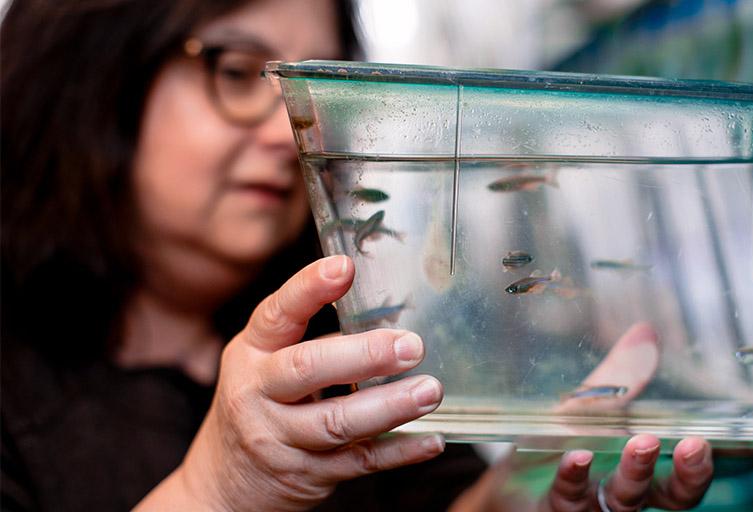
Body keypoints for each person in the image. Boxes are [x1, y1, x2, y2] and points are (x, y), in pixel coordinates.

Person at [0, 0, 714, 510]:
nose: (290, 132)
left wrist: (531, 490)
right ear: (91, 77)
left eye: (311, 93)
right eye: (239, 69)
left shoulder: (354, 346)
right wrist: (217, 492)